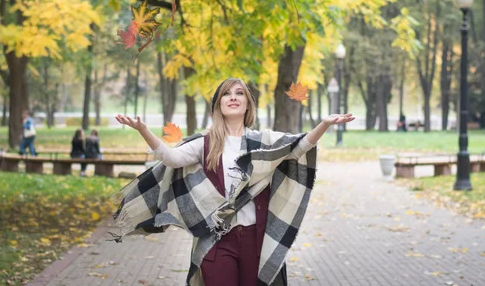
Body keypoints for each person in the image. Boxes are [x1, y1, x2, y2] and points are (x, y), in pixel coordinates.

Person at [113, 78, 355, 286]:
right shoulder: (205, 142)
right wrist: (143, 130)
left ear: (248, 103)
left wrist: (323, 125)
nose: (233, 97)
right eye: (227, 94)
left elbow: (298, 147)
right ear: (218, 104)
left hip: (256, 239)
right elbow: (171, 158)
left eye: (239, 93)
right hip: (216, 239)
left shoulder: (263, 141)